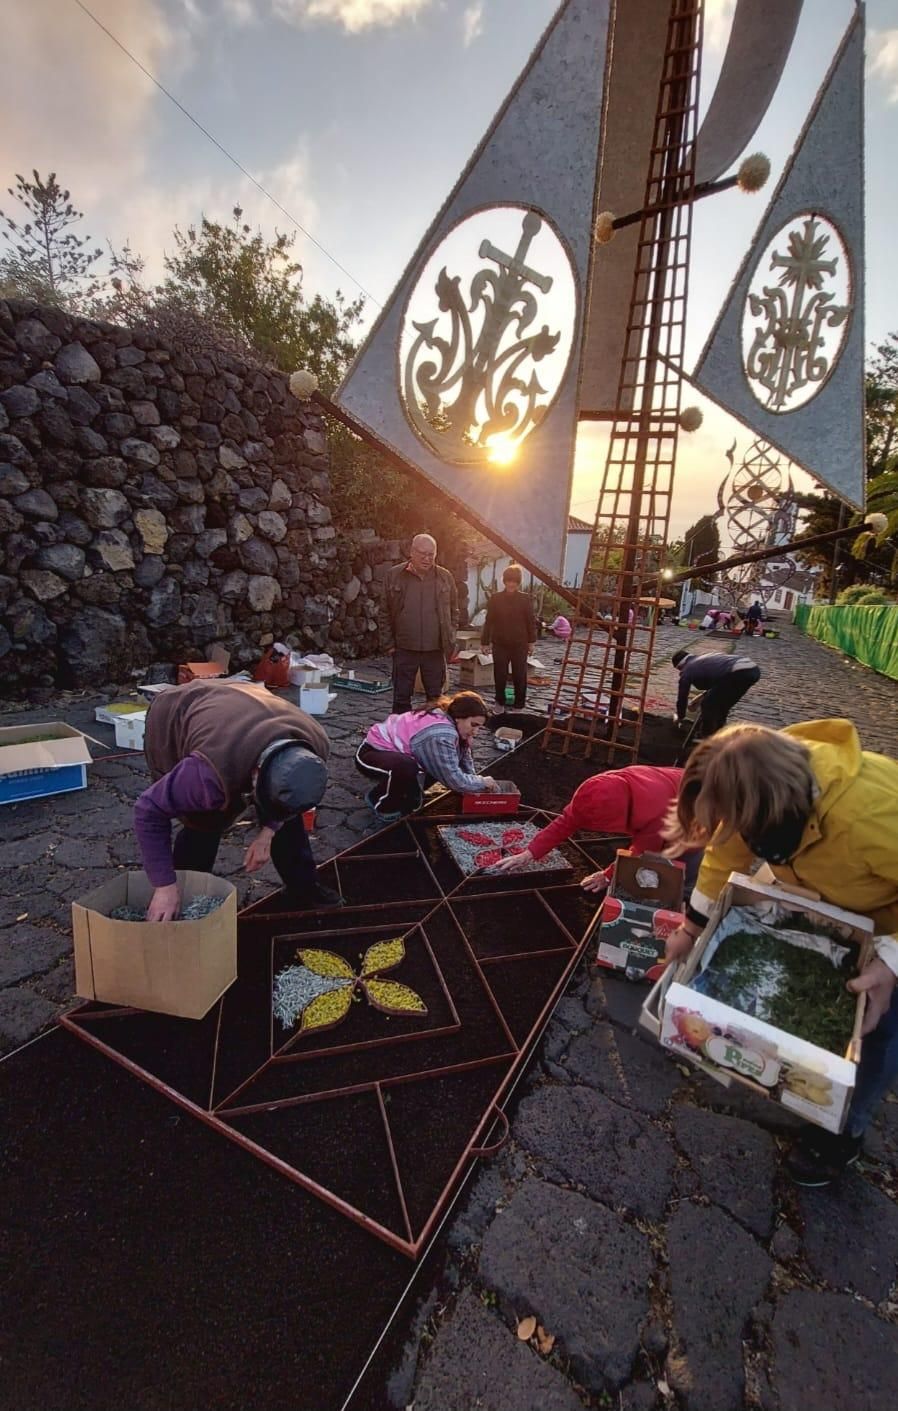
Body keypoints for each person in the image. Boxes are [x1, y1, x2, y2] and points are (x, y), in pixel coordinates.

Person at [663, 720, 898, 1186]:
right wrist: (692, 927)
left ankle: (843, 1133)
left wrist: (890, 963)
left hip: (888, 915)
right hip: (828, 899)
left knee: (880, 1026)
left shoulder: (871, 818)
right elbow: (723, 854)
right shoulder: (754, 781)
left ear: (787, 812)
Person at [136, 680, 337, 921]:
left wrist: (268, 833)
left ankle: (304, 887)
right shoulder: (206, 774)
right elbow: (149, 809)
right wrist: (164, 885)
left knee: (287, 808)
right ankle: (182, 896)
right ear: (255, 773)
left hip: (241, 706)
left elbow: (286, 803)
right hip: (176, 712)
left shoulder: (316, 745)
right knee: (204, 819)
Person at [492, 763, 701, 893]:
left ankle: (684, 900)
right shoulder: (607, 786)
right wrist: (530, 853)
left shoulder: (659, 815)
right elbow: (568, 820)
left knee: (677, 869)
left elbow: (641, 853)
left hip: (699, 810)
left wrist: (608, 875)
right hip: (671, 788)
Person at [355, 691, 500, 820]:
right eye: (473, 725)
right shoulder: (441, 734)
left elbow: (464, 759)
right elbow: (452, 778)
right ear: (459, 717)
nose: (476, 732)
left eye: (479, 727)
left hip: (403, 753)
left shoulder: (453, 722)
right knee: (406, 767)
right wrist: (481, 782)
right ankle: (381, 801)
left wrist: (474, 788)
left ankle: (406, 792)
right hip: (372, 752)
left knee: (438, 763)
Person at [381, 533, 459, 714]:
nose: (427, 559)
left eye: (431, 555)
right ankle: (401, 728)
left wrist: (450, 636)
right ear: (412, 552)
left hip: (434, 649)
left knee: (435, 698)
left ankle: (433, 728)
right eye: (423, 554)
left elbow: (454, 610)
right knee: (401, 697)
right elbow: (384, 611)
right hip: (404, 647)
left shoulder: (445, 577)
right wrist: (388, 644)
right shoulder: (394, 575)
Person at [481, 565, 537, 711]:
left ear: (518, 582)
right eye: (509, 581)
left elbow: (530, 621)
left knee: (519, 675)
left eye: (514, 581)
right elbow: (489, 621)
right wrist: (485, 642)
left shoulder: (525, 599)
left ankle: (519, 705)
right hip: (500, 643)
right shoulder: (495, 599)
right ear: (504, 581)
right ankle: (499, 702)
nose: (511, 584)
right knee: (500, 674)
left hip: (520, 643)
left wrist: (531, 642)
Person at [672, 648, 760, 737]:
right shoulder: (703, 659)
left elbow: (682, 696)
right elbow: (718, 683)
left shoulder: (687, 669)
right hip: (753, 669)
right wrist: (701, 696)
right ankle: (719, 733)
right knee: (723, 705)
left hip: (737, 672)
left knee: (707, 705)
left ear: (680, 665)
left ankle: (706, 736)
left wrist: (680, 716)